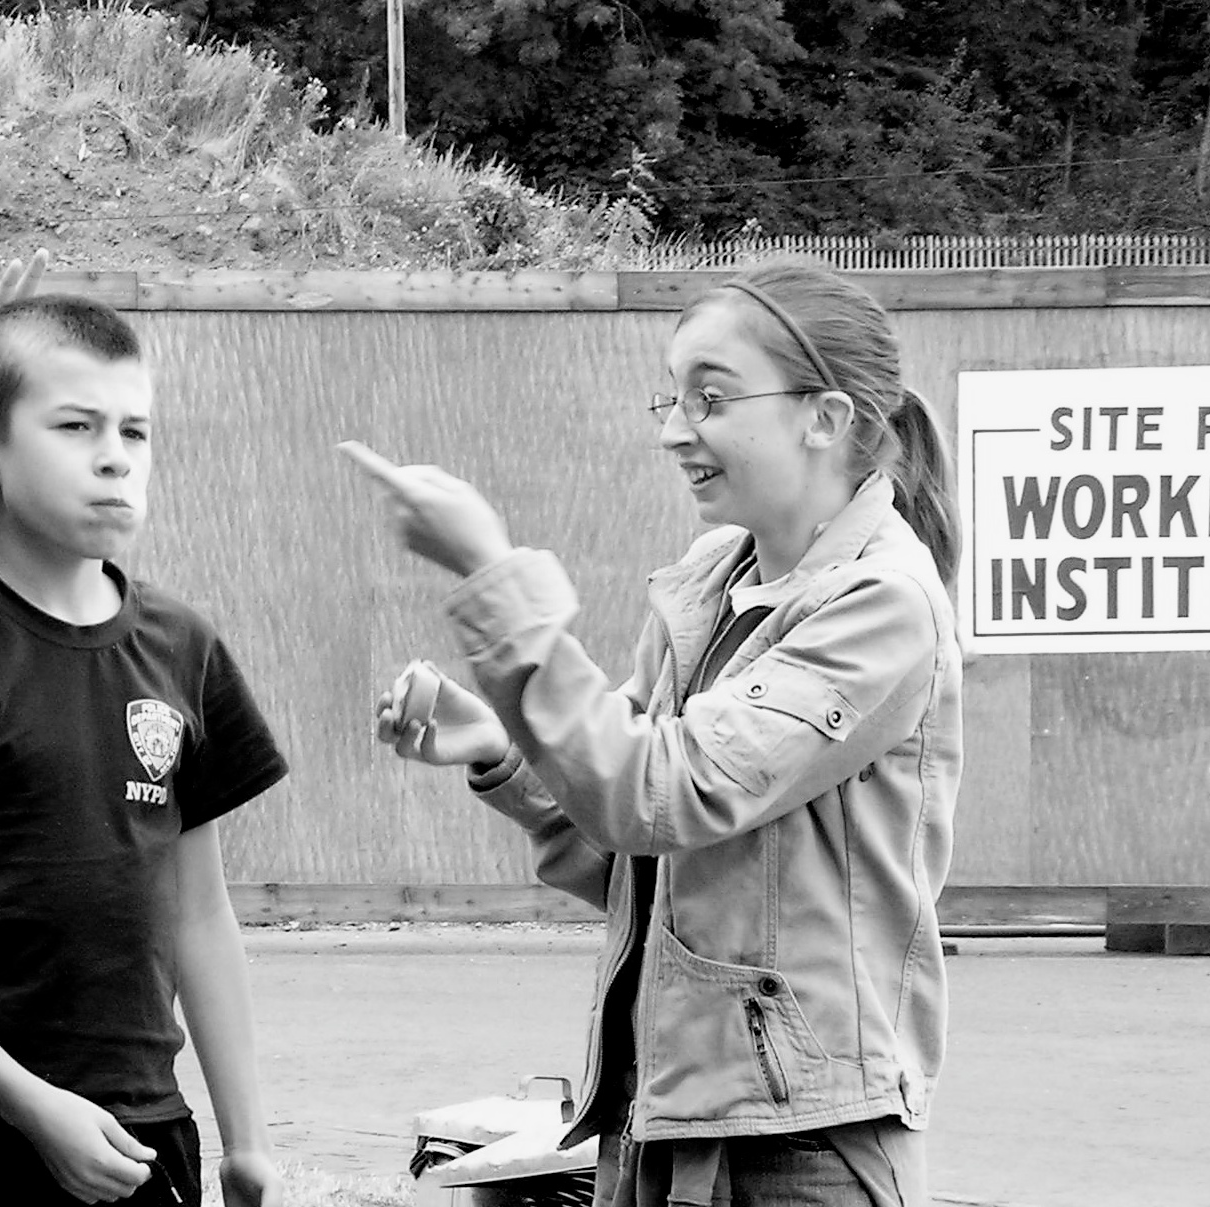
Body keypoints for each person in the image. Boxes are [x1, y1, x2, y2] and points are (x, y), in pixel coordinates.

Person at [343, 256, 962, 1207]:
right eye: (671, 398)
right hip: (662, 1121)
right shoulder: (709, 581)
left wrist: (491, 572)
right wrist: (503, 751)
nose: (676, 429)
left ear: (826, 417)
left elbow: (663, 793)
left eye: (710, 398)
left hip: (800, 1147)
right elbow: (641, 864)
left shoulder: (883, 602)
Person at [0, 295, 289, 1207]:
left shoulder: (182, 645)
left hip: (146, 1135)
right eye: (77, 426)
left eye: (135, 430)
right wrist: (31, 1104)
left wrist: (248, 1140)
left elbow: (201, 914)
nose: (115, 455)